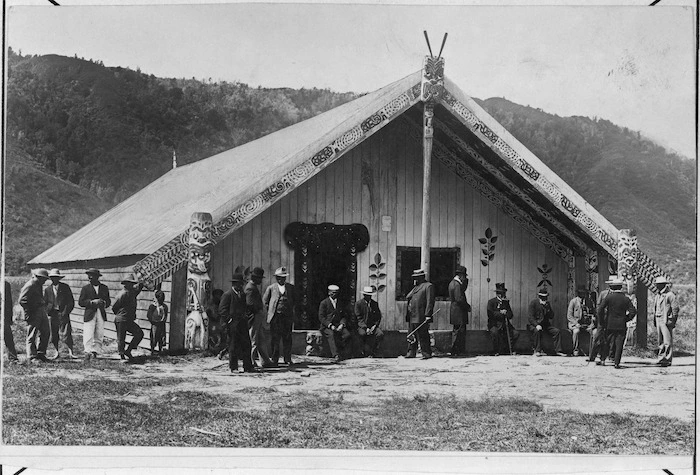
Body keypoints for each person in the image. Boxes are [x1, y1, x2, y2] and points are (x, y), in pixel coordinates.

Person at [597, 276, 636, 369]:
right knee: (619, 344)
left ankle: (603, 359)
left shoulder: (609, 297)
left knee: (607, 342)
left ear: (612, 287)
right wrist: (626, 319)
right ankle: (616, 362)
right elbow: (633, 311)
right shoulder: (626, 299)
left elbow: (600, 309)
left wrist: (602, 320)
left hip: (609, 324)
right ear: (621, 287)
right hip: (621, 325)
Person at [219, 273, 255, 373]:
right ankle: (233, 367)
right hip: (233, 324)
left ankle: (248, 366)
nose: (240, 286)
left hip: (242, 323)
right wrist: (229, 320)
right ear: (234, 284)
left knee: (246, 344)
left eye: (241, 284)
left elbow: (245, 307)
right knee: (233, 346)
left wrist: (246, 317)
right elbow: (222, 310)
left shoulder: (242, 295)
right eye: (239, 284)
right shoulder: (227, 295)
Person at [263, 266, 296, 366]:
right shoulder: (271, 288)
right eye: (279, 277)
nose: (281, 279)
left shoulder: (290, 288)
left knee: (287, 338)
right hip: (276, 317)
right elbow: (265, 301)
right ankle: (274, 359)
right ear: (276, 278)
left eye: (283, 277)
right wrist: (271, 311)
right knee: (275, 338)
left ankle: (287, 358)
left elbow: (294, 300)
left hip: (287, 317)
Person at [19, 269, 52, 363]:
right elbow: (22, 300)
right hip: (33, 312)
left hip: (41, 311)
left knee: (46, 331)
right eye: (44, 279)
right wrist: (32, 310)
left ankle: (41, 353)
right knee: (32, 334)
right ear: (39, 277)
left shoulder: (38, 284)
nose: (45, 281)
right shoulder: (30, 285)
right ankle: (32, 356)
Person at [245, 267, 275, 369]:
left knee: (261, 339)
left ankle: (265, 361)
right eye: (259, 278)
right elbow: (249, 304)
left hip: (257, 317)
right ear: (255, 278)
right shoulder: (250, 288)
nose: (261, 280)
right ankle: (251, 361)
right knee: (253, 340)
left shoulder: (253, 287)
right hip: (254, 317)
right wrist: (257, 310)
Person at [78, 268, 111, 361]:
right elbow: (81, 302)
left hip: (100, 312)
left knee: (99, 332)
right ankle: (87, 351)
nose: (90, 278)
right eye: (89, 277)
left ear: (97, 277)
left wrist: (102, 302)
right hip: (90, 313)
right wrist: (92, 302)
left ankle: (95, 351)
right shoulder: (85, 288)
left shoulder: (104, 288)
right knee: (88, 331)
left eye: (92, 276)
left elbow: (108, 301)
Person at [44, 269, 76, 359]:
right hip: (53, 314)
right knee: (54, 333)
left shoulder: (65, 287)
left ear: (59, 278)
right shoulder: (47, 290)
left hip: (63, 312)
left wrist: (66, 312)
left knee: (66, 332)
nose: (54, 279)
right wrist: (48, 311)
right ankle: (56, 352)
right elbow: (45, 302)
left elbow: (70, 302)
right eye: (52, 278)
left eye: (56, 278)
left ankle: (71, 351)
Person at [112, 274, 144, 362]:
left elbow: (139, 287)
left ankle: (128, 351)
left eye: (132, 283)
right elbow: (114, 307)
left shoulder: (132, 292)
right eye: (129, 283)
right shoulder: (122, 294)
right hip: (121, 319)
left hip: (129, 319)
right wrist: (120, 315)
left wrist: (142, 279)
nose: (131, 285)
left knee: (139, 334)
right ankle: (121, 356)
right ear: (125, 284)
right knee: (121, 338)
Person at [405, 269, 435, 360]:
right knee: (412, 334)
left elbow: (430, 301)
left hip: (421, 315)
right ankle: (411, 352)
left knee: (423, 335)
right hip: (412, 315)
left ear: (422, 277)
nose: (415, 279)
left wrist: (428, 314)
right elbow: (408, 297)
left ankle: (426, 353)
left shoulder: (428, 286)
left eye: (417, 278)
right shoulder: (415, 287)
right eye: (414, 278)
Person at [527, 288, 565, 357]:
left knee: (557, 331)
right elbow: (530, 317)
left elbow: (551, 316)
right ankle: (537, 350)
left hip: (545, 325)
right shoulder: (534, 303)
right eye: (543, 297)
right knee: (537, 331)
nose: (544, 299)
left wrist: (547, 309)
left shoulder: (547, 304)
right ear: (539, 297)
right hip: (534, 325)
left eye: (545, 297)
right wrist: (536, 325)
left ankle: (558, 350)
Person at [319, 284, 352, 361]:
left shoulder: (341, 303)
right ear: (329, 293)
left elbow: (344, 316)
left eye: (336, 292)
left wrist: (342, 324)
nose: (335, 294)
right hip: (327, 326)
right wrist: (330, 325)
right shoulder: (324, 303)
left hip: (338, 325)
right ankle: (335, 355)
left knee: (347, 335)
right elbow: (321, 317)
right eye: (333, 292)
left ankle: (343, 353)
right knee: (331, 335)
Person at [652, 276, 679, 367]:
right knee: (660, 341)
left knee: (667, 341)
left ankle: (667, 359)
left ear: (663, 285)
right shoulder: (658, 295)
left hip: (666, 320)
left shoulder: (670, 295)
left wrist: (672, 320)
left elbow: (675, 308)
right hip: (658, 318)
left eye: (658, 285)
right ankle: (661, 358)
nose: (656, 286)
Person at [589, 276, 616, 365]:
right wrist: (598, 316)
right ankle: (592, 356)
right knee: (597, 337)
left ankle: (608, 356)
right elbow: (598, 306)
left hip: (611, 319)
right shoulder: (603, 293)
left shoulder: (616, 295)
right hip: (601, 319)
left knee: (609, 339)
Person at [487, 283, 519, 355]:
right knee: (494, 332)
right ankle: (496, 350)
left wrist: (506, 312)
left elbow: (511, 315)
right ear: (497, 294)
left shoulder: (506, 302)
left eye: (503, 293)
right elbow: (490, 314)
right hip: (494, 324)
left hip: (505, 324)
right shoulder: (491, 302)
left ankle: (507, 349)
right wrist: (500, 312)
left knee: (515, 333)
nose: (502, 295)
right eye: (500, 293)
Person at [354, 286, 384, 357]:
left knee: (380, 334)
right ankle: (362, 351)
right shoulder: (358, 304)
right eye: (367, 295)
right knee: (362, 334)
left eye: (370, 295)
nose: (368, 297)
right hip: (361, 326)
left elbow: (378, 316)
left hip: (372, 326)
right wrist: (365, 328)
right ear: (364, 295)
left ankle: (374, 351)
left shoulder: (374, 304)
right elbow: (358, 318)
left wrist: (374, 326)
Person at [448, 265, 470, 356]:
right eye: (464, 276)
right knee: (459, 332)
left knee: (457, 331)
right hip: (459, 312)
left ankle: (456, 351)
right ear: (461, 275)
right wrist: (467, 306)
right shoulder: (457, 285)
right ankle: (457, 351)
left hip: (455, 311)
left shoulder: (453, 283)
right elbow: (459, 299)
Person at [567, 287, 593, 357]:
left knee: (594, 332)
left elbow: (593, 314)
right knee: (576, 331)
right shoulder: (573, 302)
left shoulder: (589, 302)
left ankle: (591, 351)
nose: (584, 295)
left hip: (586, 324)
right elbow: (569, 316)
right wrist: (576, 323)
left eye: (584, 294)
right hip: (575, 323)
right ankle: (576, 350)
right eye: (582, 294)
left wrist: (591, 324)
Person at [4, 279, 19, 363]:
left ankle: (12, 357)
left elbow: (9, 302)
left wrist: (9, 317)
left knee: (8, 336)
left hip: (3, 316)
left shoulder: (5, 284)